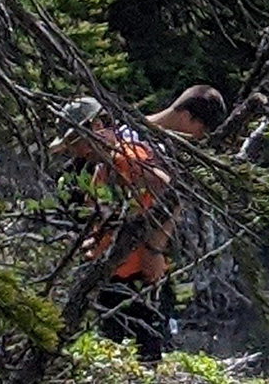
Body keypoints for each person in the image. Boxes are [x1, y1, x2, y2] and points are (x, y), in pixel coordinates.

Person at [56, 85, 226, 364]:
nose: (200, 139)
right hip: (132, 267)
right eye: (202, 130)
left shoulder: (126, 136)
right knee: (143, 353)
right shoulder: (134, 146)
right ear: (188, 118)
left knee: (127, 352)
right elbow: (170, 194)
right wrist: (154, 249)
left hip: (123, 265)